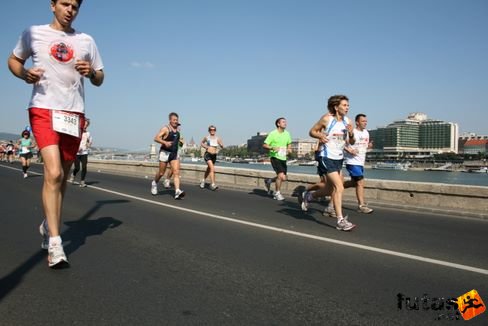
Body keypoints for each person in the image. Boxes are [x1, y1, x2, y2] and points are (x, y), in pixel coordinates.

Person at [8, 0, 104, 267]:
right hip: (43, 109)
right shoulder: (34, 33)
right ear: (52, 5)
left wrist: (92, 73)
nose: (70, 9)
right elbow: (14, 60)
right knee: (53, 173)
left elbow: (100, 77)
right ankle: (55, 243)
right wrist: (25, 74)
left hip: (73, 113)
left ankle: (48, 223)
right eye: (64, 3)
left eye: (75, 5)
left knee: (61, 176)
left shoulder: (86, 40)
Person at [300, 95, 356, 231]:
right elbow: (312, 131)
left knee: (330, 189)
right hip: (326, 157)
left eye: (348, 105)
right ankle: (340, 220)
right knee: (339, 187)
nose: (347, 108)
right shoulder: (327, 118)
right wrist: (320, 135)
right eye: (344, 105)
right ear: (336, 107)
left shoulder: (348, 121)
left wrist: (351, 133)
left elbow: (351, 141)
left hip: (339, 158)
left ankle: (310, 195)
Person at [343, 114, 374, 214]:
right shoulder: (352, 132)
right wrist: (349, 150)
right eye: (363, 121)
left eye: (366, 121)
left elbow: (363, 147)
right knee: (360, 182)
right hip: (352, 161)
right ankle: (361, 205)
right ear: (357, 122)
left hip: (361, 162)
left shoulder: (366, 133)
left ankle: (335, 187)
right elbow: (342, 143)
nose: (365, 123)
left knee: (354, 183)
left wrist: (368, 146)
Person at [151, 112, 185, 199]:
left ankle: (177, 191)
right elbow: (156, 138)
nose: (175, 121)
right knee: (161, 173)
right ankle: (154, 183)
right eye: (174, 120)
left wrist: (180, 145)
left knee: (176, 172)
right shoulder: (165, 129)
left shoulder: (178, 130)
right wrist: (165, 142)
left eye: (177, 120)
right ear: (170, 120)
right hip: (164, 152)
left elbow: (178, 142)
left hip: (174, 153)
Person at [263, 117, 292, 201]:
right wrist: (272, 147)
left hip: (283, 157)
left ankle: (269, 181)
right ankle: (277, 193)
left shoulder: (287, 134)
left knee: (283, 178)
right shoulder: (273, 133)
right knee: (280, 176)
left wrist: (289, 150)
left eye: (286, 122)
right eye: (283, 122)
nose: (285, 123)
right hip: (275, 157)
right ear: (278, 124)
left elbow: (289, 145)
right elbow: (265, 145)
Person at [69, 118, 92, 187]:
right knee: (77, 168)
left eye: (86, 125)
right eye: (84, 124)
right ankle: (73, 175)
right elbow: (72, 141)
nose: (85, 126)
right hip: (76, 153)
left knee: (84, 167)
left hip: (84, 152)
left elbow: (90, 142)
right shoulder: (76, 132)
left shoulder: (88, 133)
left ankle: (82, 182)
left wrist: (88, 144)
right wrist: (76, 147)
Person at [200, 125, 224, 190]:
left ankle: (203, 181)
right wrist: (207, 147)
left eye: (213, 130)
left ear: (215, 131)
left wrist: (219, 148)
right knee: (212, 168)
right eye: (211, 130)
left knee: (209, 169)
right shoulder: (207, 137)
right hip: (207, 155)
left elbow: (222, 146)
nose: (212, 131)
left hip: (214, 156)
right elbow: (201, 143)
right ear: (209, 131)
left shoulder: (217, 138)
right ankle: (213, 184)